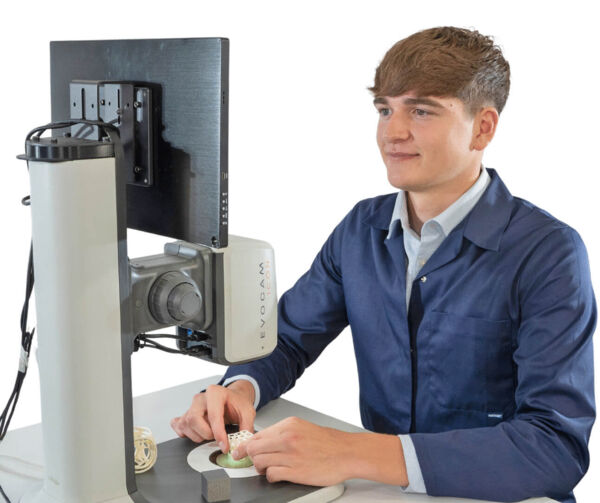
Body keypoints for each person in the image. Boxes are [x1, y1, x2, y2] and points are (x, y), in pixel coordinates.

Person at [171, 26, 596, 503]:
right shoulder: (360, 229)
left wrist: (354, 452)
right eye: (385, 109)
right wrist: (241, 388)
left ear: (483, 127)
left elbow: (554, 447)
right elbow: (287, 339)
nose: (393, 132)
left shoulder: (549, 252)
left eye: (421, 110)